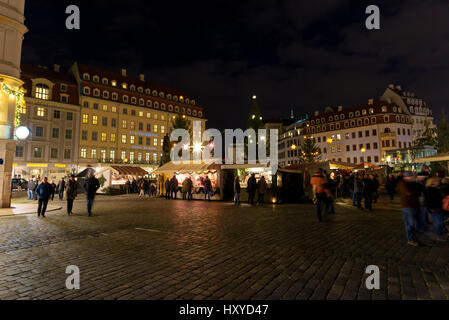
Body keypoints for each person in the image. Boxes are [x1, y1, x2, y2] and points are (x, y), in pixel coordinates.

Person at [397, 171, 425, 246]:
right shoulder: (402, 183)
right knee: (410, 224)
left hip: (415, 205)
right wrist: (417, 192)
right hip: (408, 206)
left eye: (412, 176)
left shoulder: (413, 183)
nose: (412, 177)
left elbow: (422, 188)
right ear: (406, 177)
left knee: (419, 222)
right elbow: (408, 192)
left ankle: (416, 236)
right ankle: (410, 239)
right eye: (411, 176)